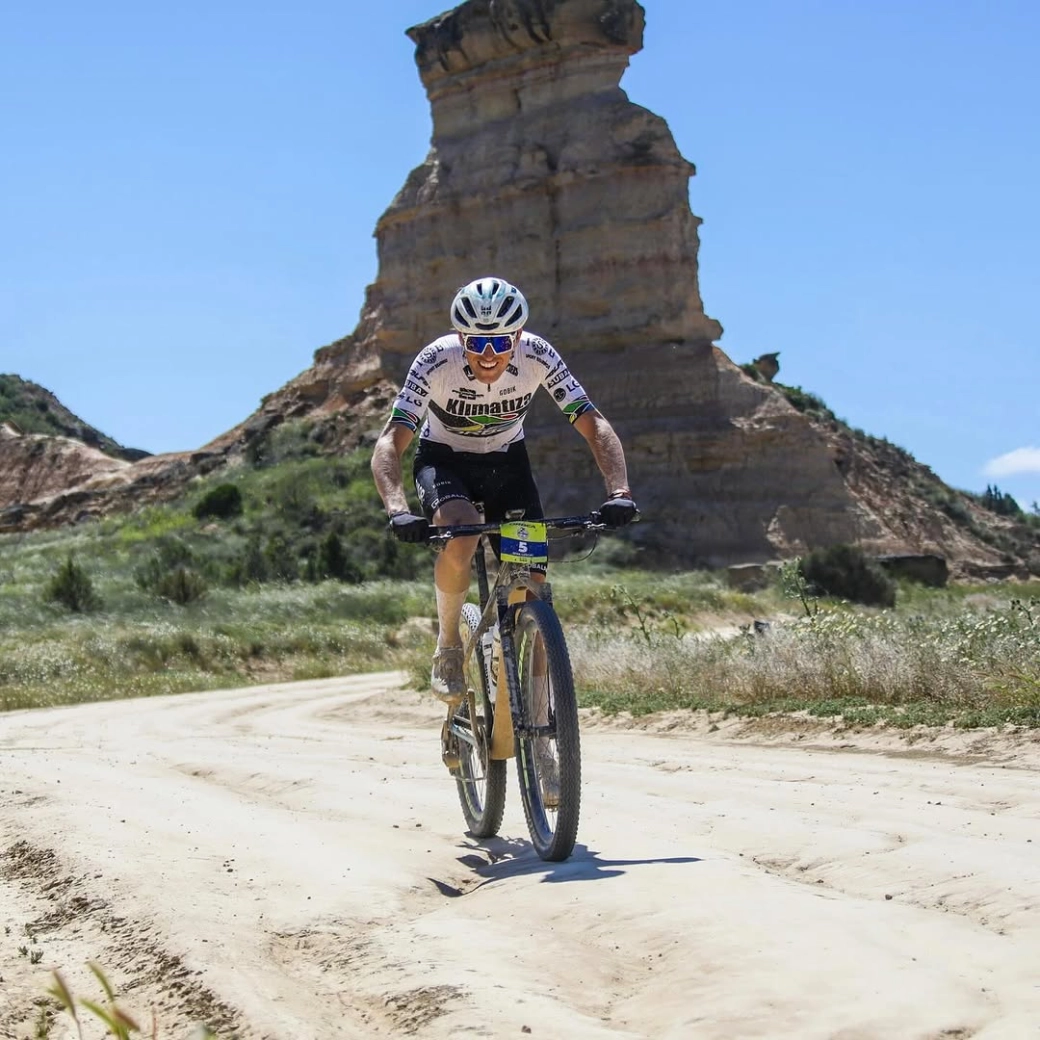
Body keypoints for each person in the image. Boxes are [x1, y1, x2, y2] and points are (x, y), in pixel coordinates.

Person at [371, 275, 638, 703]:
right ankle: (448, 647)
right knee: (462, 535)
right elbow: (391, 440)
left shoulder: (538, 354)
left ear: (518, 335)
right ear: (461, 338)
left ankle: (538, 714)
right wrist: (397, 508)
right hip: (445, 460)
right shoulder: (435, 361)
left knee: (533, 584)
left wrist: (619, 491)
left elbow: (592, 422)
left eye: (501, 342)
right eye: (477, 344)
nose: (490, 355)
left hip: (507, 463)